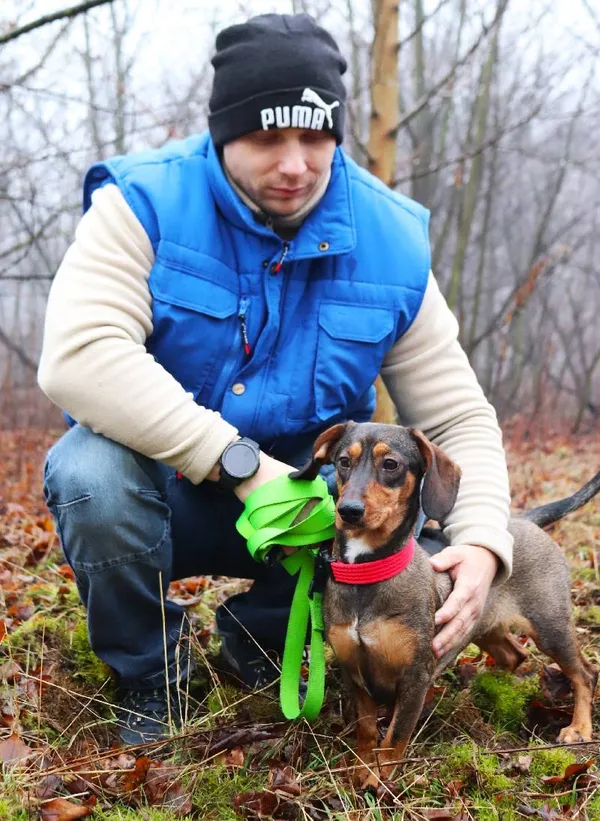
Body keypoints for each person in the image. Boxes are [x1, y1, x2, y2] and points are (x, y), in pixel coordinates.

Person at [38, 13, 513, 745]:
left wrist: (482, 542)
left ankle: (263, 642)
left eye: (316, 136)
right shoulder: (143, 203)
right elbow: (78, 353)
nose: (295, 163)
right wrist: (235, 462)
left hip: (314, 518)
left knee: (384, 489)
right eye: (266, 138)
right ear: (222, 132)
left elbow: (457, 419)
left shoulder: (389, 239)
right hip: (164, 493)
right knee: (87, 473)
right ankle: (148, 677)